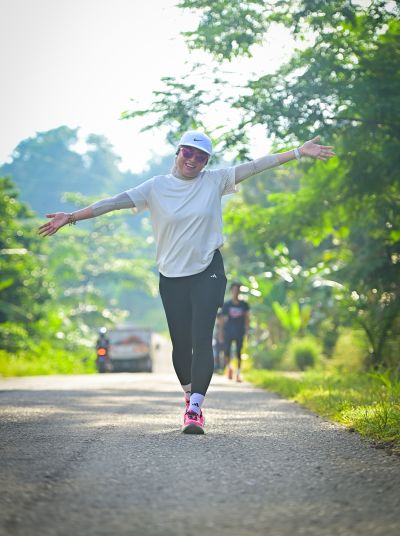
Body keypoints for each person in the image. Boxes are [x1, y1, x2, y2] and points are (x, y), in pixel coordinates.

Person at [39, 130, 335, 434]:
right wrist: (71, 217)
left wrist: (298, 152)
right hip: (171, 276)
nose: (193, 160)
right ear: (178, 153)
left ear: (207, 162)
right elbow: (112, 203)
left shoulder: (215, 181)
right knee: (181, 345)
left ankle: (195, 408)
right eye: (188, 153)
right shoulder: (155, 187)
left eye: (201, 157)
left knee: (201, 338)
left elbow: (258, 165)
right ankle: (188, 393)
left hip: (208, 269)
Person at [221, 282, 250, 383]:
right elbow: (222, 319)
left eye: (237, 290)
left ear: (239, 291)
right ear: (231, 291)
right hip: (228, 331)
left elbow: (247, 318)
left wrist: (247, 331)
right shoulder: (227, 304)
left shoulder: (244, 305)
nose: (236, 292)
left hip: (239, 331)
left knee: (239, 352)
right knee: (227, 351)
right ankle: (229, 368)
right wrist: (221, 332)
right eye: (234, 290)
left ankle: (238, 373)